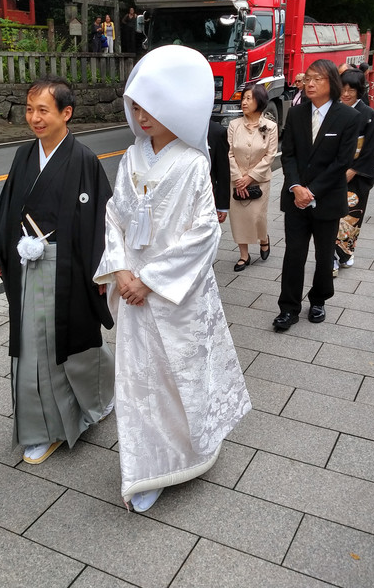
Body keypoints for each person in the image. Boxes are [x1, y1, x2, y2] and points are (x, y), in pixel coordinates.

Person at [93, 44, 251, 513]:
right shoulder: (131, 158)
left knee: (175, 375)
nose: (142, 115)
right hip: (133, 287)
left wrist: (150, 279)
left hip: (172, 295)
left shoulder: (192, 162)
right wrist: (122, 270)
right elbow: (114, 216)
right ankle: (146, 465)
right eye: (136, 106)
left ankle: (186, 451)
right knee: (138, 381)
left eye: (151, 106)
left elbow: (204, 232)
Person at [0, 77, 115, 465]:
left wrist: (101, 270)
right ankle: (47, 424)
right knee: (34, 348)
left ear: (65, 114)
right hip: (26, 264)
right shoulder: (24, 156)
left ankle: (87, 404)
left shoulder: (84, 159)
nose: (34, 118)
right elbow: (8, 206)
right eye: (29, 109)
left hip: (67, 266)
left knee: (67, 343)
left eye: (43, 110)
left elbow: (102, 218)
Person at [273, 59, 361, 332]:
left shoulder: (348, 117)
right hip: (295, 198)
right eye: (307, 78)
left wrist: (312, 191)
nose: (310, 83)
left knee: (324, 256)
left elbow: (341, 162)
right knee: (293, 255)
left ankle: (319, 299)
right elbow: (288, 154)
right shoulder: (297, 113)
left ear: (331, 83)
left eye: (317, 79)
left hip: (327, 199)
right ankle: (288, 309)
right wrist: (296, 187)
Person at [333, 69, 374, 275]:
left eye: (351, 90)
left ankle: (344, 253)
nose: (346, 94)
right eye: (343, 89)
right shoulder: (333, 110)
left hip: (357, 175)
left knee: (351, 215)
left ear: (359, 91)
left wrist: (354, 169)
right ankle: (331, 257)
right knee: (331, 215)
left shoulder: (368, 114)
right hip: (333, 172)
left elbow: (371, 148)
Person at [227, 84, 278, 271]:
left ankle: (263, 238)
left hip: (259, 180)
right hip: (237, 179)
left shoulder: (270, 127)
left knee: (257, 217)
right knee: (239, 218)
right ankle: (244, 255)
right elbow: (230, 153)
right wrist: (238, 176)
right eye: (243, 98)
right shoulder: (234, 125)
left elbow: (270, 155)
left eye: (249, 98)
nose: (244, 102)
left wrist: (251, 177)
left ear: (260, 100)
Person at [208, 119, 230, 223]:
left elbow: (222, 171)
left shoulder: (216, 131)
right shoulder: (171, 131)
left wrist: (222, 206)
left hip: (207, 197)